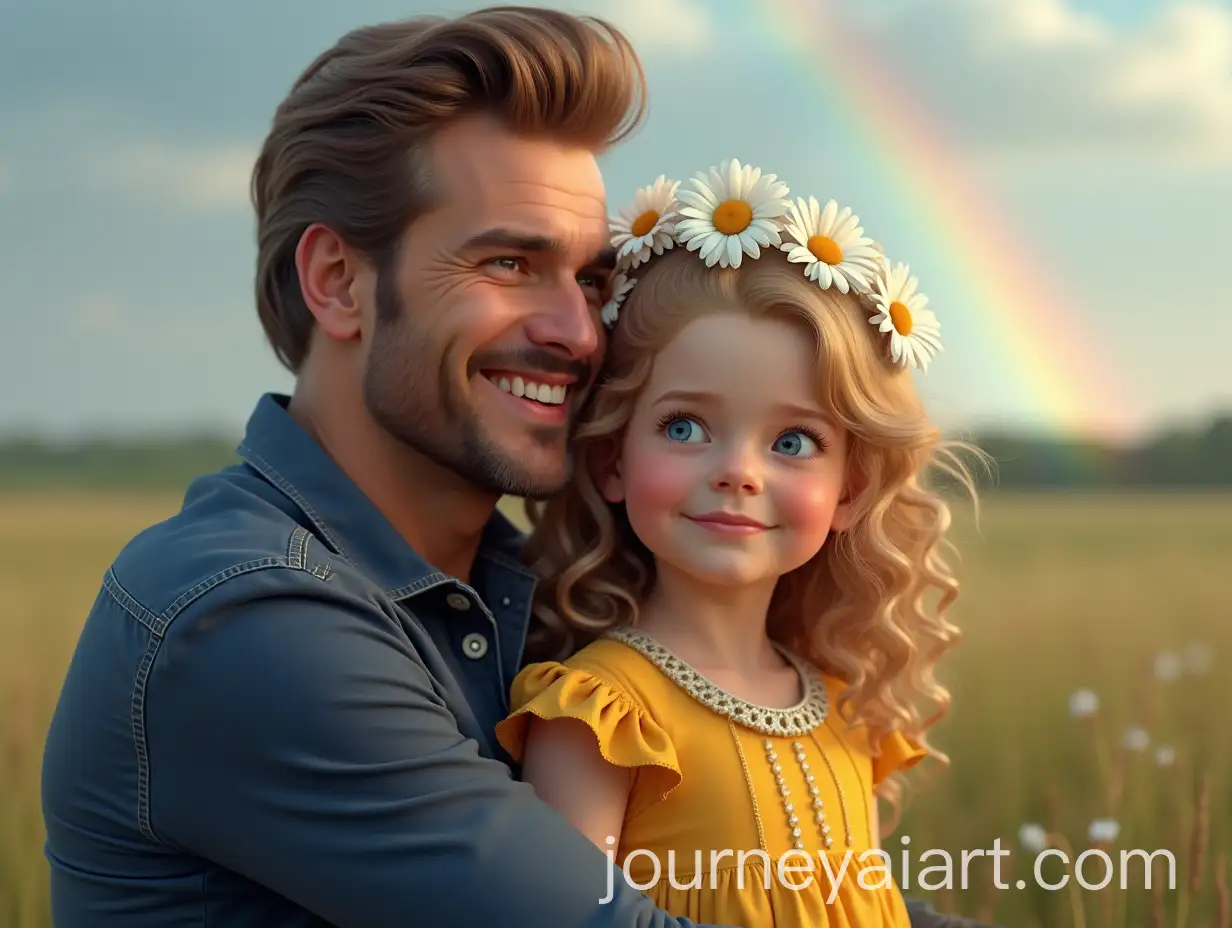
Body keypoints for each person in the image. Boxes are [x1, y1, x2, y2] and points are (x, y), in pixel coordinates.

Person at [40, 6, 995, 926]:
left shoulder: (514, 589)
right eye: (507, 264)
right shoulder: (247, 619)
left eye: (587, 278)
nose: (578, 332)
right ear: (337, 281)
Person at [494, 160, 983, 927]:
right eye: (684, 427)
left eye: (793, 440)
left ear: (849, 490)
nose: (737, 474)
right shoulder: (599, 715)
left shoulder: (841, 708)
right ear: (612, 458)